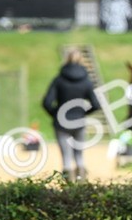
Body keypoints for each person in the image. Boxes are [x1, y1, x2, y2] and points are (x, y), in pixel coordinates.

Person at [41, 51, 101, 182]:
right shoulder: (86, 81)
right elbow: (96, 104)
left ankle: (67, 189)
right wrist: (82, 113)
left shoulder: (58, 80)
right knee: (79, 157)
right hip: (79, 122)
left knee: (66, 159)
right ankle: (82, 186)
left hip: (61, 124)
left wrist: (55, 114)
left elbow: (46, 102)